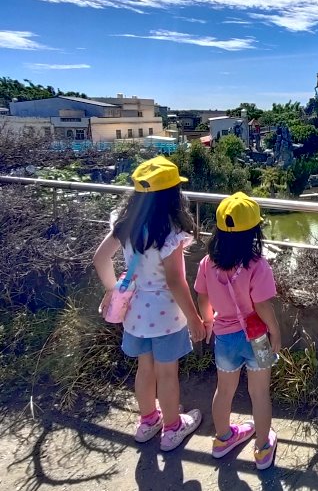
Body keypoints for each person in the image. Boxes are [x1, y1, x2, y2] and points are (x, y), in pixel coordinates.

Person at [93, 156, 205, 450]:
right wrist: (194, 318)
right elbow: (175, 281)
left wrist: (113, 289)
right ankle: (172, 428)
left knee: (145, 369)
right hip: (167, 315)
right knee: (167, 373)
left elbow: (100, 258)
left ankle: (147, 422)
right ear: (171, 195)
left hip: (136, 312)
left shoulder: (125, 224)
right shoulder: (170, 232)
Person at [195, 192, 281, 470]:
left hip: (224, 336)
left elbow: (202, 297)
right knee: (260, 393)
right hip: (257, 337)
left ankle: (222, 439)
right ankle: (263, 448)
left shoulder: (208, 263)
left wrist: (207, 321)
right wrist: (275, 331)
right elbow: (262, 305)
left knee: (224, 390)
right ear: (254, 231)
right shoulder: (257, 265)